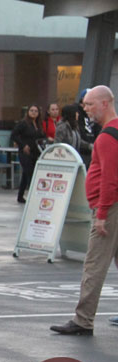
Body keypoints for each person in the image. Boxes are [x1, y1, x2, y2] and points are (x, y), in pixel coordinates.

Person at [50, 85, 118, 336]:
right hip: (112, 206)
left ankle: (83, 320)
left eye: (89, 104)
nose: (85, 109)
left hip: (109, 208)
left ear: (104, 103)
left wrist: (101, 214)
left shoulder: (108, 136)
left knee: (94, 265)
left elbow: (111, 180)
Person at [11, 105, 45, 204]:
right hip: (25, 152)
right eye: (31, 110)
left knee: (26, 174)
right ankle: (32, 195)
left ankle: (20, 195)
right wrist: (22, 145)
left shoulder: (38, 124)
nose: (33, 112)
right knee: (29, 172)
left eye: (36, 111)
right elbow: (14, 135)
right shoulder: (23, 123)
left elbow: (40, 136)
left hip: (35, 152)